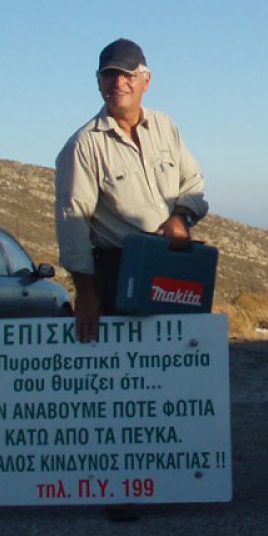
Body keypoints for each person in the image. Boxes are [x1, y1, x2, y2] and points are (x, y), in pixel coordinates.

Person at [55, 38, 209, 343]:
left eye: (128, 75)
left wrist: (181, 217)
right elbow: (73, 222)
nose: (118, 83)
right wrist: (86, 294)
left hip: (170, 268)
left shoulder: (166, 127)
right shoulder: (83, 146)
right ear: (98, 82)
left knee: (174, 359)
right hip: (118, 275)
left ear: (146, 80)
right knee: (126, 367)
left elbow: (193, 183)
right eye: (109, 75)